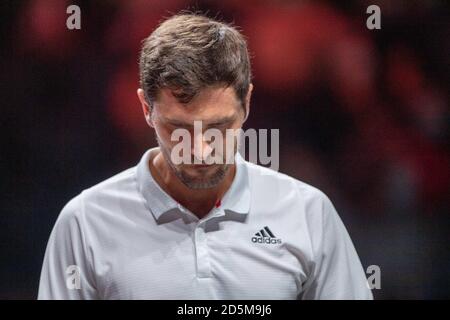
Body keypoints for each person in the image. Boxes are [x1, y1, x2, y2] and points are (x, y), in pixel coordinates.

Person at [38, 13, 373, 300]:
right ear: (145, 109)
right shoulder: (84, 224)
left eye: (218, 126)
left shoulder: (309, 213)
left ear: (247, 103)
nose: (200, 150)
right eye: (178, 128)